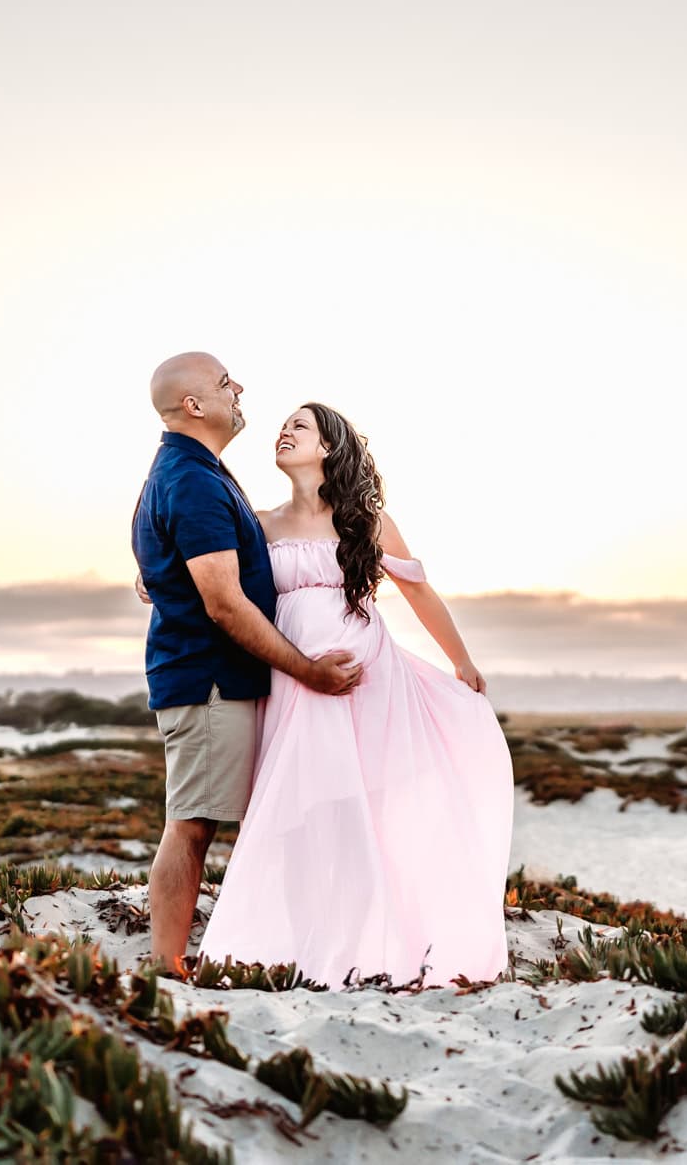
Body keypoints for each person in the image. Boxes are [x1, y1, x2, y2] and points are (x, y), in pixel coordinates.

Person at [197, 402, 514, 988]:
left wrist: (461, 661)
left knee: (359, 814)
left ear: (328, 447)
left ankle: (374, 946)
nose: (284, 432)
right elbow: (209, 575)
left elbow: (421, 594)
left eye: (300, 426)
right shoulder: (258, 523)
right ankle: (299, 945)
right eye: (283, 426)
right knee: (298, 814)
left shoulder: (366, 520)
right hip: (293, 682)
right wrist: (152, 579)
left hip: (369, 684)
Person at [131, 353, 363, 974]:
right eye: (225, 382)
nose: (239, 388)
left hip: (220, 678)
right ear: (195, 405)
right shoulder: (195, 480)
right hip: (209, 680)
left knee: (210, 821)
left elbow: (196, 558)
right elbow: (225, 606)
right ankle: (167, 966)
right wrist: (309, 672)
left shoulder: (198, 474)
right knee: (193, 826)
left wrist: (154, 572)